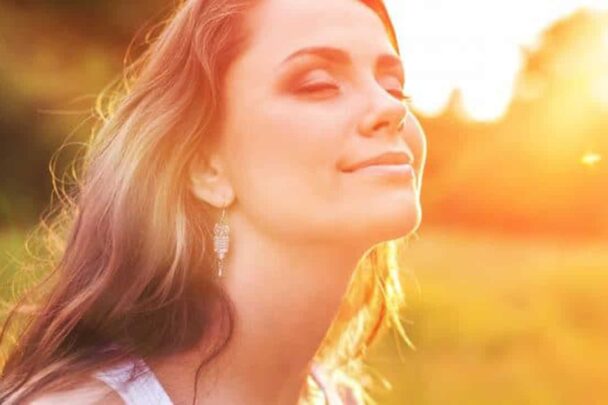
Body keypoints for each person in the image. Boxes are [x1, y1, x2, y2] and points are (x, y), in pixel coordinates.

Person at [0, 0, 427, 403]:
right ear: (206, 167)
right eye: (318, 85)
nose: (389, 108)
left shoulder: (337, 396)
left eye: (394, 86)